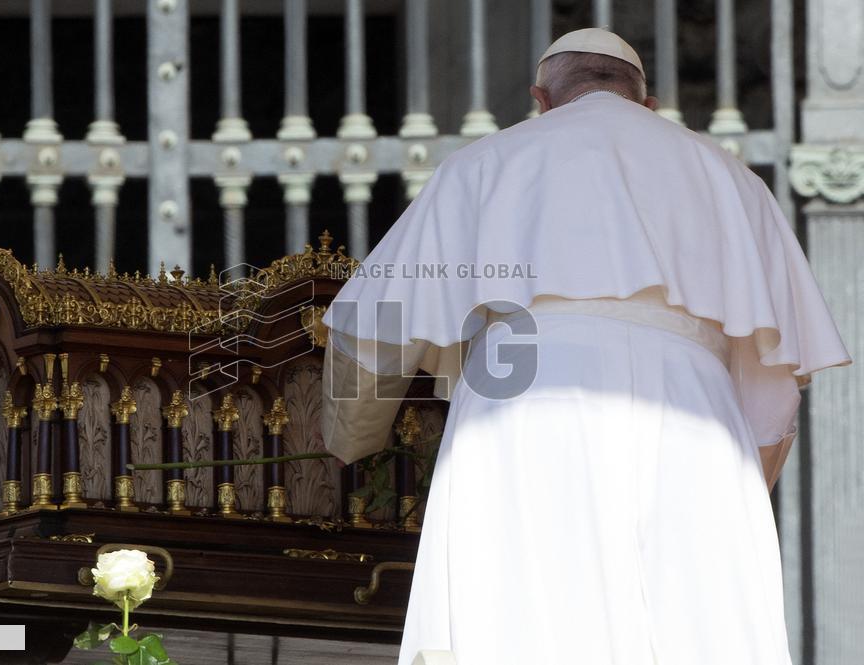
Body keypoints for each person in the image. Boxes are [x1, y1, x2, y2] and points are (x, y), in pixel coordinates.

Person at [320, 28, 851, 665]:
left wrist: (349, 443)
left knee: (521, 623)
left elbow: (375, 324)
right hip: (693, 420)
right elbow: (774, 391)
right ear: (647, 105)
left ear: (541, 99)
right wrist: (734, 485)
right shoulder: (730, 179)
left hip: (519, 406)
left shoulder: (485, 162)